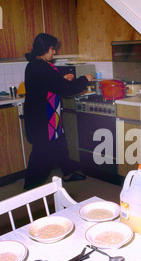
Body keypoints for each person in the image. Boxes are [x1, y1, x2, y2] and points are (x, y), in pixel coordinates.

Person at [23, 33, 93, 190]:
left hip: (48, 118)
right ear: (47, 49)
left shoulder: (35, 64)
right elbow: (65, 89)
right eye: (53, 49)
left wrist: (63, 79)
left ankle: (68, 173)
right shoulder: (40, 67)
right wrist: (84, 80)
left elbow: (52, 84)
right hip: (42, 121)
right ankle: (29, 190)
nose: (54, 52)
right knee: (41, 157)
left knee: (60, 144)